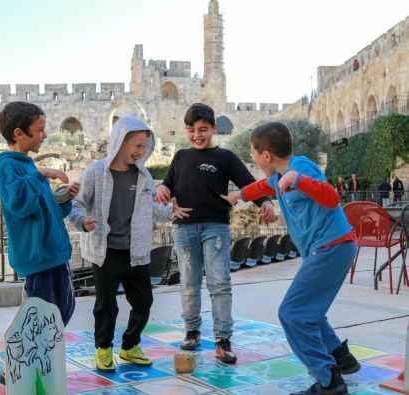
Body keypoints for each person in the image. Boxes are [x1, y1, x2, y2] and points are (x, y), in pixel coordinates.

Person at [225, 122, 361, 395]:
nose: (252, 158)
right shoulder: (279, 177)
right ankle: (340, 357)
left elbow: (332, 198)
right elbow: (263, 186)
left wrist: (298, 180)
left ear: (266, 155)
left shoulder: (300, 168)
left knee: (292, 314)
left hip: (331, 248)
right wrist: (238, 195)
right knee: (308, 310)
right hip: (330, 249)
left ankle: (329, 380)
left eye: (252, 153)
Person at [156, 103, 275, 364]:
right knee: (189, 283)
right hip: (184, 229)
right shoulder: (180, 157)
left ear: (213, 128)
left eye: (203, 129)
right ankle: (192, 332)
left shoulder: (225, 157)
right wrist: (162, 192)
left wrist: (265, 202)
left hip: (216, 228)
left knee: (219, 283)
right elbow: (166, 186)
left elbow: (248, 183)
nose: (197, 135)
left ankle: (223, 339)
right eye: (191, 130)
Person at [69, 115, 189, 372]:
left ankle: (129, 346)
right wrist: (83, 221)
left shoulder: (143, 176)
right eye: (136, 145)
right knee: (106, 306)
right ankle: (103, 349)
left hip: (136, 250)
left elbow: (150, 210)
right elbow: (75, 204)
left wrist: (170, 212)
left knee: (144, 302)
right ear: (120, 142)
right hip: (106, 251)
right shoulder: (96, 172)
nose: (141, 151)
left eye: (144, 146)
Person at [0, 102, 78, 385]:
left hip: (53, 252)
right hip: (37, 256)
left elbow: (47, 208)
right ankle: (14, 365)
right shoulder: (5, 166)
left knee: (64, 307)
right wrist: (41, 175)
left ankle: (37, 358)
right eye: (40, 130)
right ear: (18, 134)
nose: (45, 135)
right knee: (37, 316)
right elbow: (18, 203)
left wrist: (63, 197)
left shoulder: (26, 167)